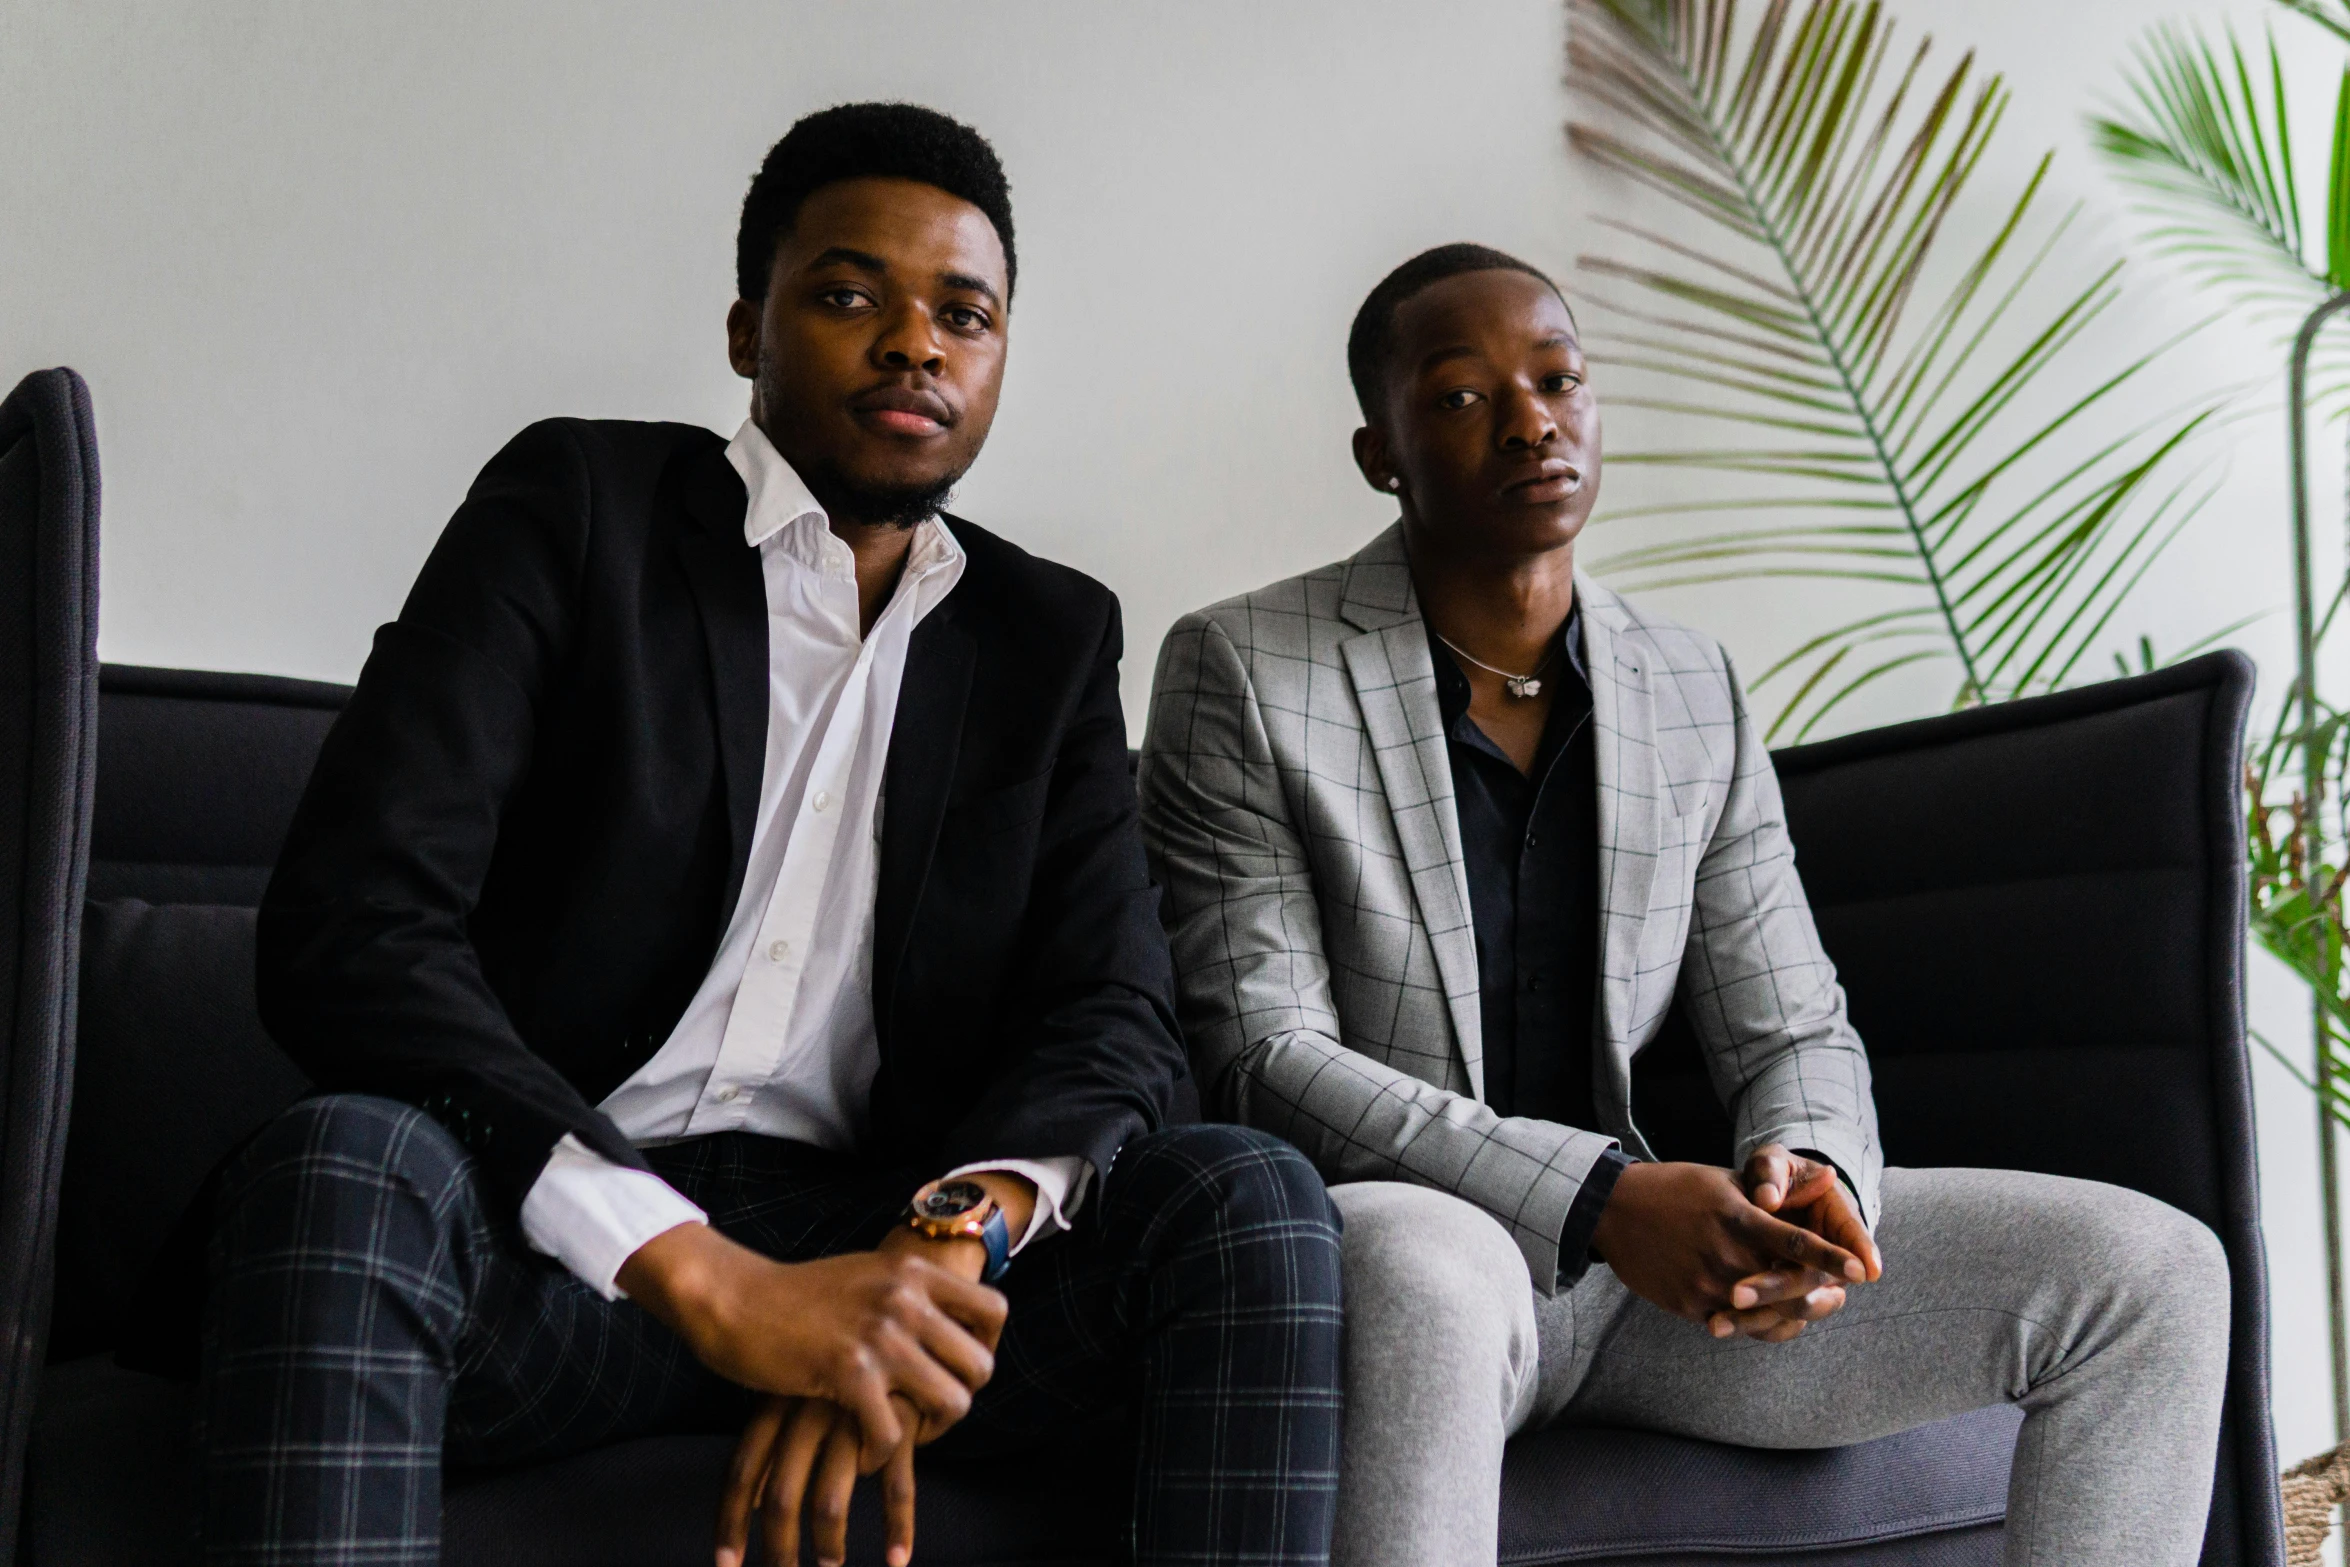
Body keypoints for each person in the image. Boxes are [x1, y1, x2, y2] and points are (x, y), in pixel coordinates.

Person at [207, 103, 1344, 1567]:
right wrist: (703, 1273)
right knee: (341, 1162)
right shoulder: (577, 511)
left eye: (963, 313)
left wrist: (929, 1262)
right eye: (850, 294)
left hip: (872, 1231)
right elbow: (352, 924)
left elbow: (1114, 1011)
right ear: (748, 329)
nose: (913, 344)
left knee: (1249, 1200)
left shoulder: (1046, 636)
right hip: (553, 1244)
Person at [1136, 242, 2232, 1567]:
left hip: (1653, 1295)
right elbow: (1265, 1056)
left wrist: (1811, 1176)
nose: (1529, 418)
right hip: (1416, 1246)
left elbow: (1790, 1028)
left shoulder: (1686, 682)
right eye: (1463, 395)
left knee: (2150, 1269)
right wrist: (1600, 1194)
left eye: (1556, 379)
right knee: (1417, 1264)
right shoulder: (1244, 667)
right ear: (1381, 452)